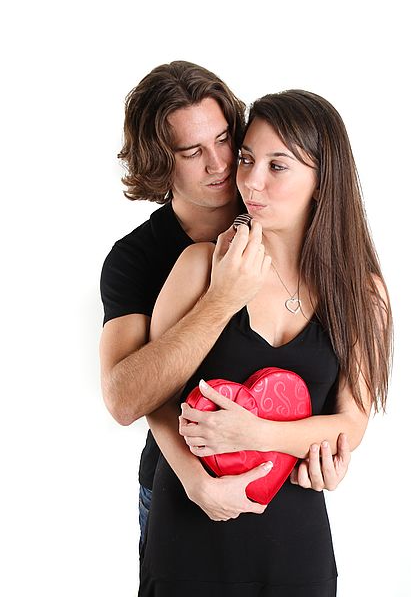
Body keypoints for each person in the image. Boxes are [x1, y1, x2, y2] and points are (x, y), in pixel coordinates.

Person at [139, 89, 393, 596]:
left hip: (295, 542)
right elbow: (154, 394)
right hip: (190, 531)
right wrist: (197, 481)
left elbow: (351, 422)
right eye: (248, 159)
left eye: (278, 166)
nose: (250, 181)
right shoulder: (199, 266)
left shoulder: (363, 292)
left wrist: (255, 433)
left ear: (322, 182)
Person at [99, 62, 351, 552]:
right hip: (181, 485)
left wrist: (325, 448)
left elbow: (328, 379)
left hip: (285, 491)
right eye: (193, 152)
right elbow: (128, 398)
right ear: (158, 160)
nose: (220, 164)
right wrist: (220, 302)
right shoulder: (138, 259)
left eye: (224, 141)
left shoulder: (276, 210)